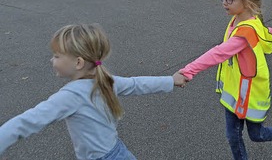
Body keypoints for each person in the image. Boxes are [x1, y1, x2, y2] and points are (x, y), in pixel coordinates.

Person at [0, 24, 186, 159]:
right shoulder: (105, 80)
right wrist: (171, 80)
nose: (52, 60)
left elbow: (28, 121)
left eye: (57, 56)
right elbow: (137, 84)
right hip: (117, 151)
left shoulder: (70, 96)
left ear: (78, 62)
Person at [177, 0, 272, 159]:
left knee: (257, 135)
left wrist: (188, 71)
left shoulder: (244, 31)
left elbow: (217, 54)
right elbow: (262, 29)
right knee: (233, 136)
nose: (224, 2)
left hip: (250, 92)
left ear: (248, 2)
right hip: (235, 90)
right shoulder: (243, 19)